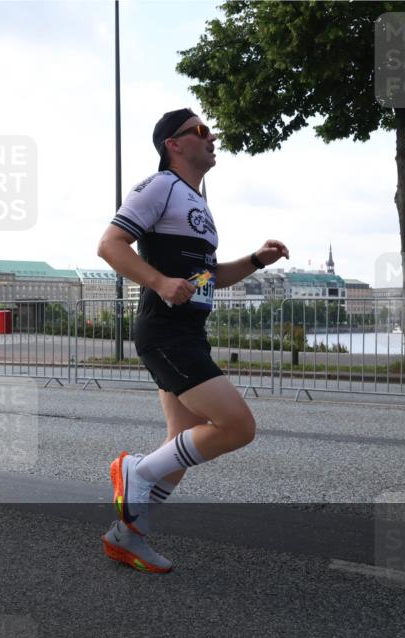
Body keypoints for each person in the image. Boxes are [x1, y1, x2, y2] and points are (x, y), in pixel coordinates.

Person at [96, 108, 289, 573]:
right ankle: (134, 472)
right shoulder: (159, 186)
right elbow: (110, 245)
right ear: (173, 144)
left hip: (188, 330)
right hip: (165, 330)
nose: (212, 136)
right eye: (201, 131)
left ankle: (126, 536)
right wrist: (160, 282)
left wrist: (256, 261)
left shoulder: (195, 201)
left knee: (179, 445)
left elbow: (208, 277)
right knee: (237, 426)